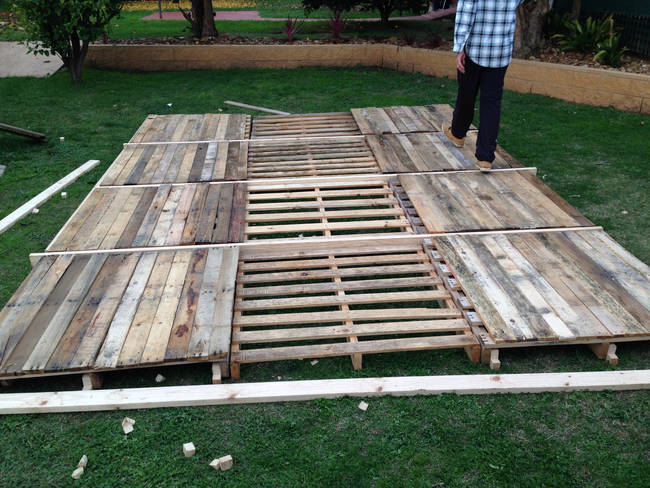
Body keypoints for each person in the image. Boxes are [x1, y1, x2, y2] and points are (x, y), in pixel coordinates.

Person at [442, 0, 525, 172]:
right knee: (492, 102)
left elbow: (465, 14)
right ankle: (485, 158)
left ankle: (458, 134)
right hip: (500, 51)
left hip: (475, 49)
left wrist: (459, 48)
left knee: (466, 93)